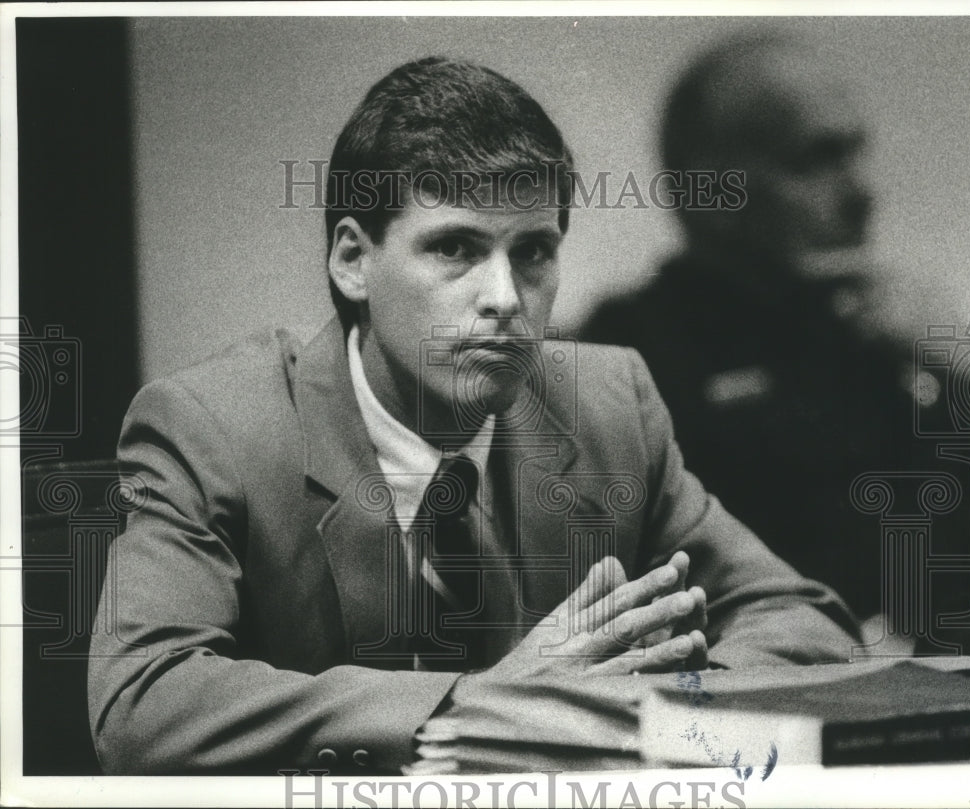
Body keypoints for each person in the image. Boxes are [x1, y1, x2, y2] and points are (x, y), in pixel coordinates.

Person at [88, 56, 859, 776]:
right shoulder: (211, 424)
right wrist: (477, 707)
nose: (504, 298)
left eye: (532, 252)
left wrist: (645, 716)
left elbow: (801, 615)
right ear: (353, 260)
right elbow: (142, 698)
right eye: (456, 247)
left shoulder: (607, 402)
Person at [580, 32, 970, 636]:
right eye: (816, 161)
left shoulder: (900, 335)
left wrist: (968, 363)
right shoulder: (626, 355)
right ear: (713, 189)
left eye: (856, 153)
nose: (862, 192)